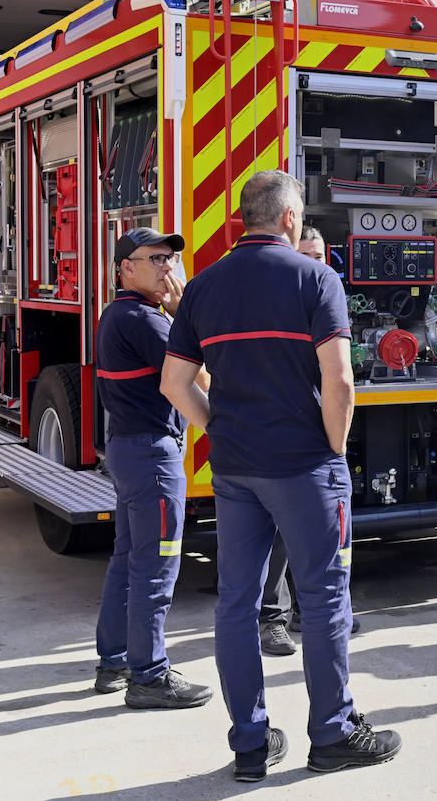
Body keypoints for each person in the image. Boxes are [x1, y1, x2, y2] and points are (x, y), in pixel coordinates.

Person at [162, 171, 401, 782]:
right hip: (303, 466)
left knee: (236, 606)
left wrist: (220, 429)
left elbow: (174, 384)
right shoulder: (316, 279)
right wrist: (333, 449)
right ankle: (334, 732)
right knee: (323, 602)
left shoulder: (204, 288)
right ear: (291, 218)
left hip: (237, 470)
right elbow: (340, 381)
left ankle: (248, 743)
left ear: (245, 218)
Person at [93, 228, 215, 710]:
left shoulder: (118, 314)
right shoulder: (148, 322)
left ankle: (116, 661)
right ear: (126, 268)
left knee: (128, 560)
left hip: (128, 451)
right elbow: (201, 376)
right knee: (156, 567)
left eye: (171, 259)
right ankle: (149, 675)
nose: (169, 267)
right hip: (153, 459)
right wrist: (187, 315)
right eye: (156, 259)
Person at [258, 225, 359, 657]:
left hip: (320, 428)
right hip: (286, 431)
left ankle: (307, 610)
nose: (315, 262)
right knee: (281, 531)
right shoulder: (280, 300)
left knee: (322, 531)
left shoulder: (325, 290)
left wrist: (335, 443)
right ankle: (271, 618)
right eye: (306, 254)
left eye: (320, 255)